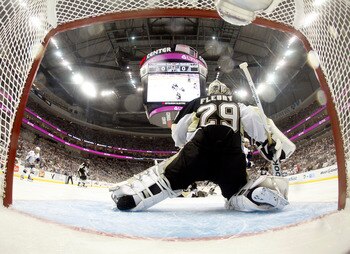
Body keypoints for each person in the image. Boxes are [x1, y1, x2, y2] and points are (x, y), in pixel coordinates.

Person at [110, 80, 296, 212]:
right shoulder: (240, 106)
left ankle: (134, 197)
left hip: (198, 150)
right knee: (235, 192)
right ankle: (251, 196)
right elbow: (261, 129)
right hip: (231, 155)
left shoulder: (196, 103)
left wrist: (183, 144)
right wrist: (268, 146)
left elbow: (178, 134)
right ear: (227, 93)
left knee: (166, 179)